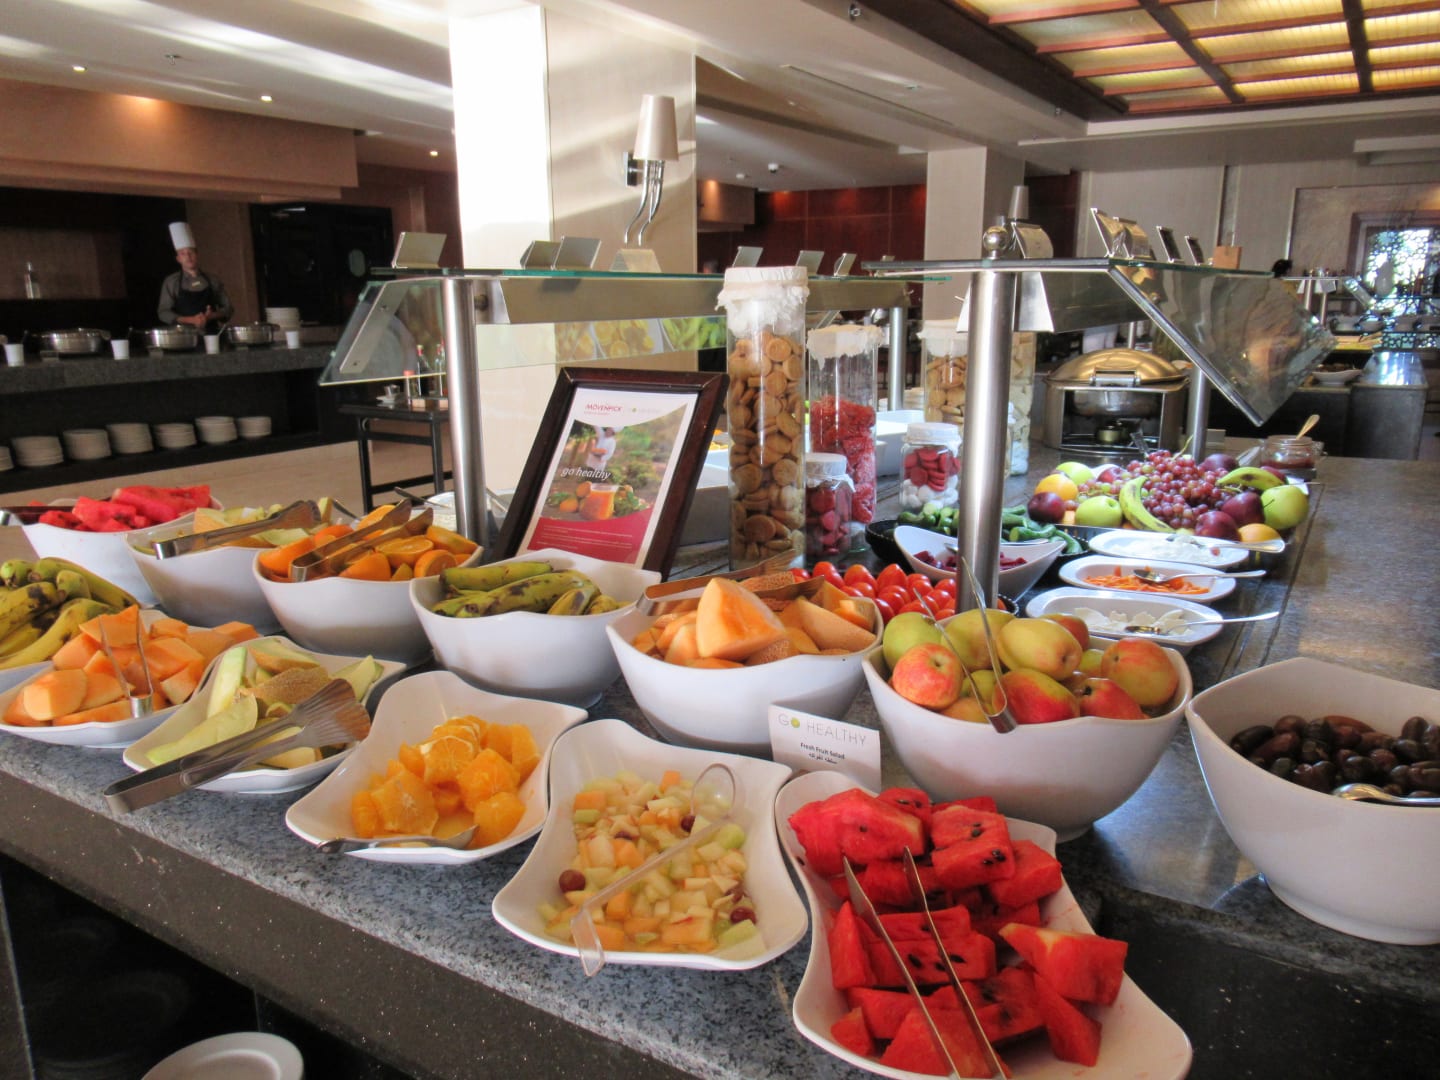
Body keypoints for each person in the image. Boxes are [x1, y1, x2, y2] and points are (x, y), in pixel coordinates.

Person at [157, 222, 233, 333]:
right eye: (183, 254)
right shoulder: (171, 282)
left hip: (212, 335)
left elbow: (228, 309)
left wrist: (212, 315)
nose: (188, 256)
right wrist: (190, 320)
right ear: (178, 259)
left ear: (197, 254)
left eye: (191, 252)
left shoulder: (213, 280)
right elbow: (163, 313)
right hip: (184, 336)